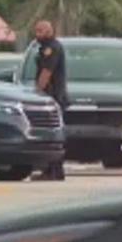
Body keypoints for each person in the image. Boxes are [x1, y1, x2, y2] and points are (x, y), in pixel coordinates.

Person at [32, 20, 68, 182]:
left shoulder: (51, 48)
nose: (37, 34)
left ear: (49, 31)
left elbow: (46, 72)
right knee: (51, 134)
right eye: (36, 30)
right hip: (52, 97)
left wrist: (37, 94)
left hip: (52, 97)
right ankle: (54, 170)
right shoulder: (47, 47)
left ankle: (53, 170)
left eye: (40, 31)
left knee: (51, 134)